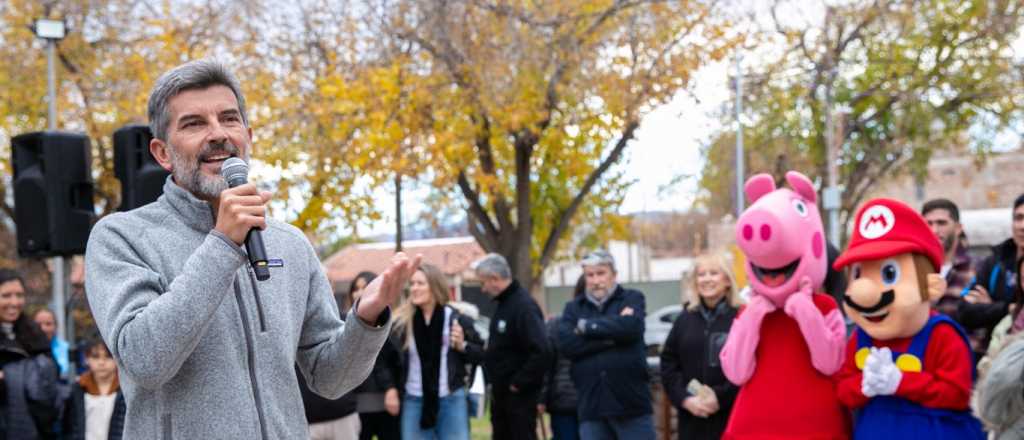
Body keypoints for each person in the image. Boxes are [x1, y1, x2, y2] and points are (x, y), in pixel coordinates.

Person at [83, 59, 419, 439]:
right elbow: (144, 361)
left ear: (249, 136)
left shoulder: (288, 243)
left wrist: (366, 320)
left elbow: (329, 378)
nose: (218, 134)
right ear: (162, 153)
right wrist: (223, 245)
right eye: (194, 123)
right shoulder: (121, 237)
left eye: (229, 119)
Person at [834, 198, 983, 439]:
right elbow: (842, 390)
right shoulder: (862, 337)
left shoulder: (942, 334)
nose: (864, 292)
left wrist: (901, 382)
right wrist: (865, 384)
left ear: (930, 286)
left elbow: (958, 394)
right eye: (858, 273)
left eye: (889, 273)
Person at [557, 250, 655, 440]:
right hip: (592, 406)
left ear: (614, 275)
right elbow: (568, 345)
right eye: (590, 275)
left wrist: (586, 327)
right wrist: (614, 336)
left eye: (601, 273)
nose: (595, 280)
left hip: (631, 405)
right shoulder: (573, 308)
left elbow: (632, 328)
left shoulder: (632, 298)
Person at [391, 263, 484, 440]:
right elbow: (388, 359)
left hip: (451, 399)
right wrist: (391, 389)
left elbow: (481, 354)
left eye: (420, 283)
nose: (414, 288)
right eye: (412, 284)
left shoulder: (456, 319)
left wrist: (462, 346)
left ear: (434, 286)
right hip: (414, 399)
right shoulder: (402, 322)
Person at [660, 251, 741, 440]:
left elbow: (750, 368)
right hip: (692, 421)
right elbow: (669, 364)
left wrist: (719, 397)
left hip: (731, 418)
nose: (706, 279)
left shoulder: (741, 317)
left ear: (728, 280)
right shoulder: (684, 319)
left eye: (713, 273)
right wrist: (685, 399)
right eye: (701, 274)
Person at [472, 253, 551, 440]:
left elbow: (542, 350)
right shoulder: (504, 304)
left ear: (495, 279)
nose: (482, 289)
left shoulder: (523, 306)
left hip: (519, 399)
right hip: (502, 398)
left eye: (483, 283)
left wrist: (518, 383)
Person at [960, 194, 1024, 358]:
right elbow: (964, 311)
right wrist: (1005, 308)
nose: (1022, 226)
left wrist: (991, 307)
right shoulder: (995, 261)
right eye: (1018, 218)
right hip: (992, 357)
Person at [0, 269, 60, 438]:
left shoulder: (34, 333)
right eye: (6, 295)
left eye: (19, 295)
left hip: (35, 428)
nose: (14, 302)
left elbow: (53, 375)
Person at [349, 272, 402, 440]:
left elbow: (391, 360)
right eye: (356, 288)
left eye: (364, 287)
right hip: (355, 406)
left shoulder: (388, 323)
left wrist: (391, 389)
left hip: (385, 402)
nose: (359, 292)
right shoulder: (343, 323)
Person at [539, 275, 584, 440]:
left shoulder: (556, 323)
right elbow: (546, 362)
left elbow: (546, 365)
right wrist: (542, 398)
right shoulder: (558, 324)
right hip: (566, 400)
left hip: (564, 399)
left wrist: (542, 398)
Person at [921, 199, 976, 317]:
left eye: (941, 223)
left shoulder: (977, 268)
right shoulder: (914, 269)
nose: (934, 230)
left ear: (958, 228)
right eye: (928, 224)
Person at [63, 338, 125, 440]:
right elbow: (71, 427)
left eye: (108, 357)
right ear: (87, 358)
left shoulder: (125, 390)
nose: (101, 362)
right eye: (95, 357)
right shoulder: (78, 388)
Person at [33, 308, 71, 378]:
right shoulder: (26, 351)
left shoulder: (67, 349)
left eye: (48, 324)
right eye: (38, 324)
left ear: (56, 326)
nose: (43, 328)